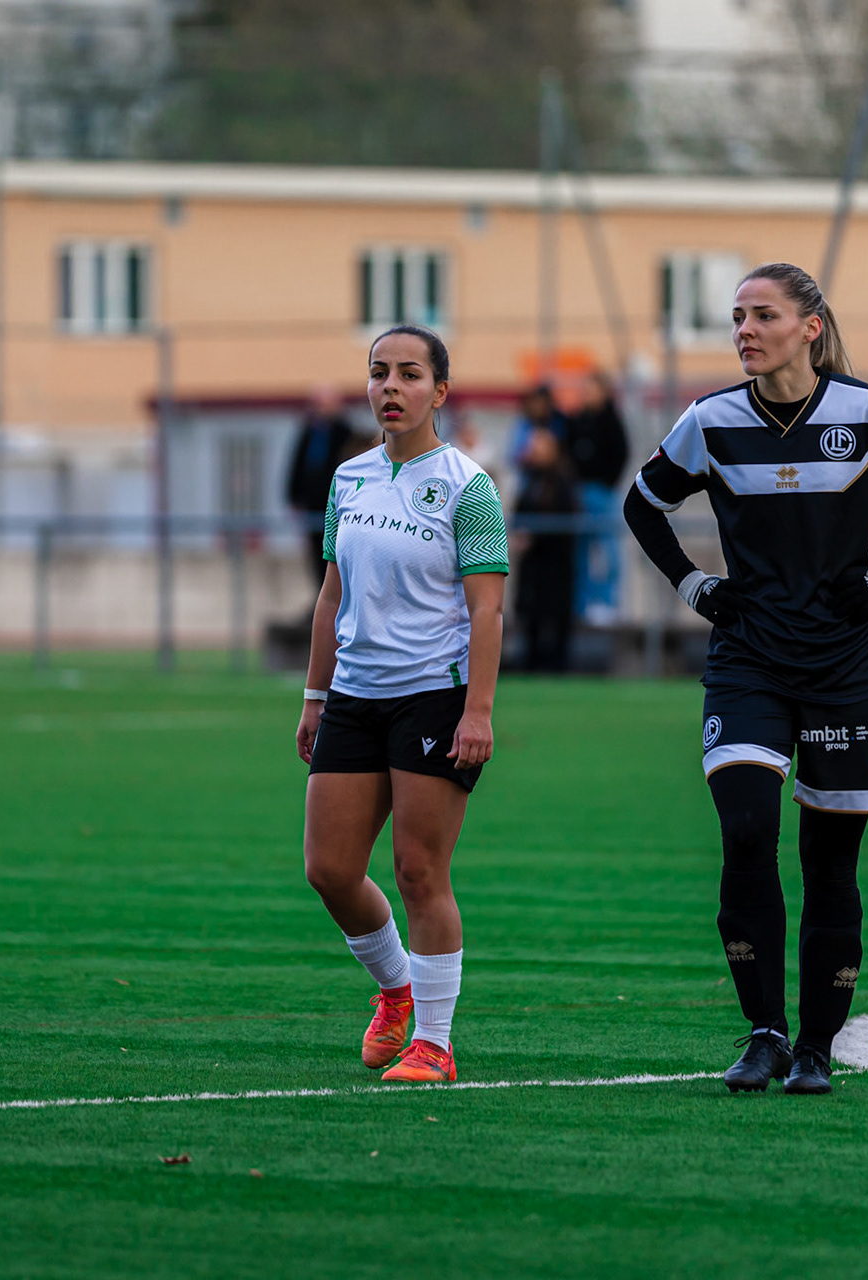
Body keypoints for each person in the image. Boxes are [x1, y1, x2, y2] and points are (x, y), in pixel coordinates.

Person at [622, 261, 868, 1095]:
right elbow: (644, 504)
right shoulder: (710, 420)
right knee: (747, 829)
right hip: (749, 661)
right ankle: (764, 1034)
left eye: (762, 315)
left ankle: (816, 1049)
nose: (744, 331)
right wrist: (693, 585)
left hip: (843, 670)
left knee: (831, 865)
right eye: (737, 318)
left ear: (810, 327)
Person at [295, 324, 509, 1083]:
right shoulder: (348, 479)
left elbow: (487, 611)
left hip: (433, 698)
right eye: (379, 372)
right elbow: (331, 596)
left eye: (409, 374)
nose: (390, 387)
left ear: (439, 393)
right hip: (354, 695)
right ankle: (397, 990)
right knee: (329, 870)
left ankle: (437, 1044)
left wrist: (476, 710)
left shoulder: (467, 486)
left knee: (420, 871)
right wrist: (316, 696)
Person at [560, 373, 631, 626]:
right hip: (579, 493)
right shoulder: (578, 420)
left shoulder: (611, 420)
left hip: (603, 493)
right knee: (580, 550)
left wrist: (606, 483)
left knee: (608, 550)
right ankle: (582, 603)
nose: (587, 393)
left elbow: (621, 453)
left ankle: (608, 603)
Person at [286, 386, 372, 586]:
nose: (319, 409)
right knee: (317, 556)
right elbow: (296, 465)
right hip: (312, 506)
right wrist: (293, 497)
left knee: (336, 556)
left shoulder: (346, 432)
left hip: (336, 504)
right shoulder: (308, 431)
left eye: (323, 404)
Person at [512, 424, 580, 672]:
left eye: (538, 445)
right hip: (534, 566)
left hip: (555, 565)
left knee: (556, 617)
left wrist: (534, 538)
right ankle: (531, 663)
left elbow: (564, 519)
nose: (533, 450)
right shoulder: (530, 480)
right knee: (532, 617)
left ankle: (558, 666)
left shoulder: (562, 480)